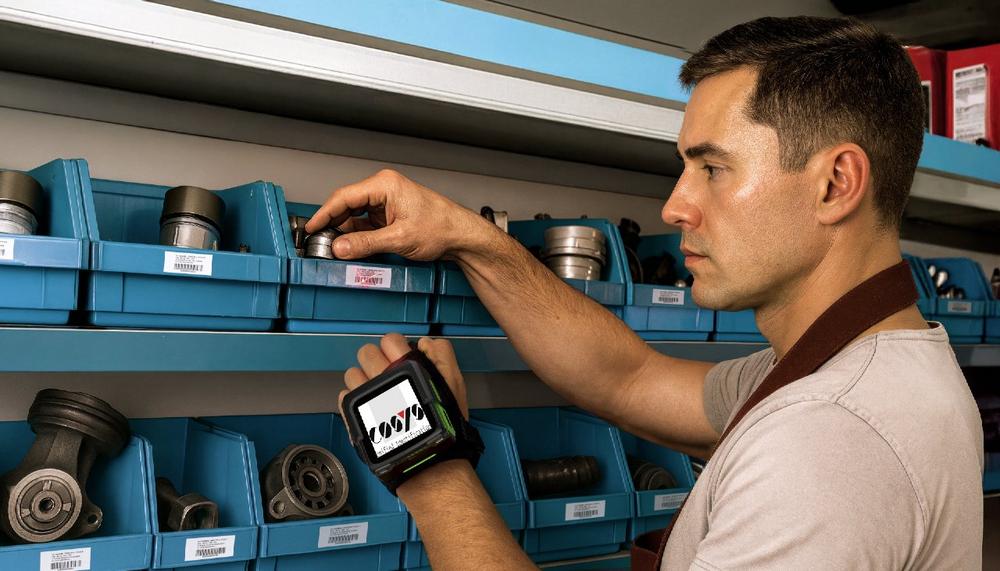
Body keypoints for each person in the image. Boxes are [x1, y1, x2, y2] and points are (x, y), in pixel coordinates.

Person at [307, 16, 984, 570]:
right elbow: (627, 378)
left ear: (835, 184)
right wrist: (469, 238)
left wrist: (431, 471)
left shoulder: (828, 437)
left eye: (712, 168)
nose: (674, 206)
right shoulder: (860, 369)